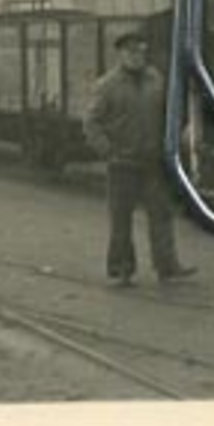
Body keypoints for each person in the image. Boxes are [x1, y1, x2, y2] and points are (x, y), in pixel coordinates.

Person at [84, 20, 196, 286]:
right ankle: (122, 269)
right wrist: (107, 150)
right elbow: (91, 122)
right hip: (122, 162)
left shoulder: (155, 79)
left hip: (152, 161)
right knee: (121, 219)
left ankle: (167, 266)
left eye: (141, 51)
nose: (137, 56)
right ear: (121, 55)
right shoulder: (107, 85)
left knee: (161, 214)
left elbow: (171, 112)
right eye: (131, 52)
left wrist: (175, 138)